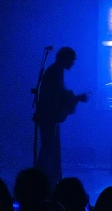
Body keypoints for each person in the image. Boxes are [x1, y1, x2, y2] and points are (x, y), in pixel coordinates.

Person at [33, 47, 87, 188]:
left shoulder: (56, 71)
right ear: (65, 58)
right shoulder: (55, 72)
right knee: (48, 149)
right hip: (48, 117)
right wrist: (77, 97)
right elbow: (57, 96)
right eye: (72, 60)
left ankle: (43, 180)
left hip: (50, 117)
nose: (73, 63)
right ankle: (41, 181)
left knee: (49, 148)